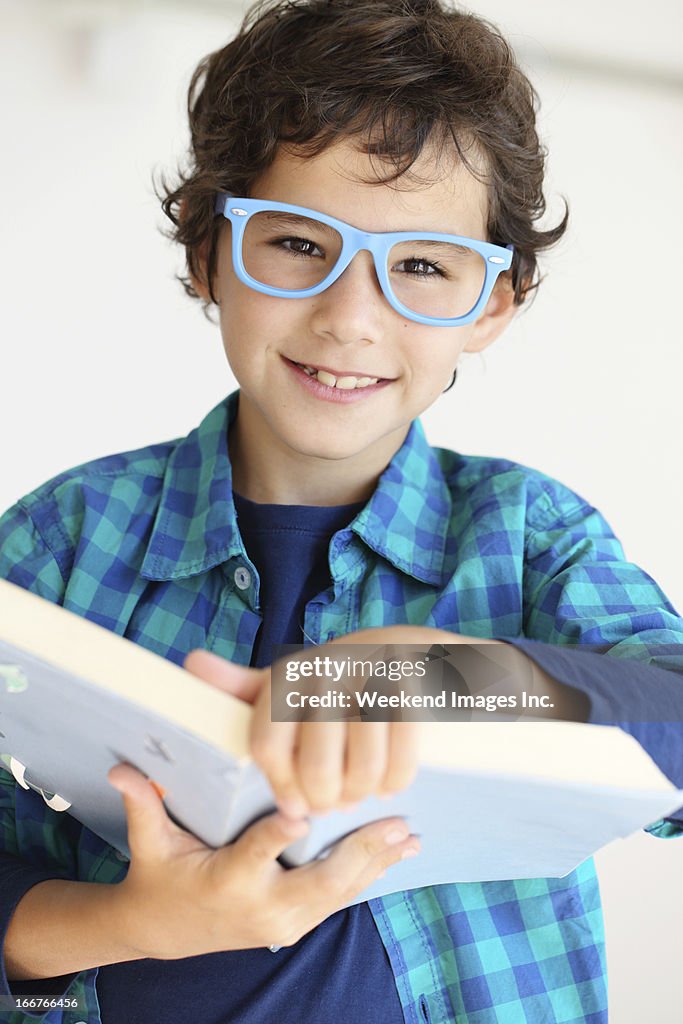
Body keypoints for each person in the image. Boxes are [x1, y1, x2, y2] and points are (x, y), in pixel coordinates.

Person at [1, 1, 682, 1022]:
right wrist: (135, 921)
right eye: (294, 243)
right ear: (207, 256)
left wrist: (438, 674)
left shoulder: (530, 536)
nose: (350, 318)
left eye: (419, 265)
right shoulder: (60, 543)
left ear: (491, 303)